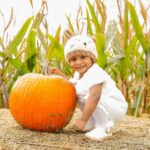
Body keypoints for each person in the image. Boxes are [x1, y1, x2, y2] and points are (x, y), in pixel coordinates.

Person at [50, 33, 128, 141]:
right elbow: (73, 85)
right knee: (77, 92)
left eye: (83, 57)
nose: (78, 62)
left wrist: (83, 119)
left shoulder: (95, 72)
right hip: (105, 105)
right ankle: (92, 122)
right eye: (73, 59)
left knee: (90, 97)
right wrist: (60, 74)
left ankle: (103, 127)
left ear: (92, 58)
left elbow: (95, 96)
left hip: (115, 108)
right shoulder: (79, 74)